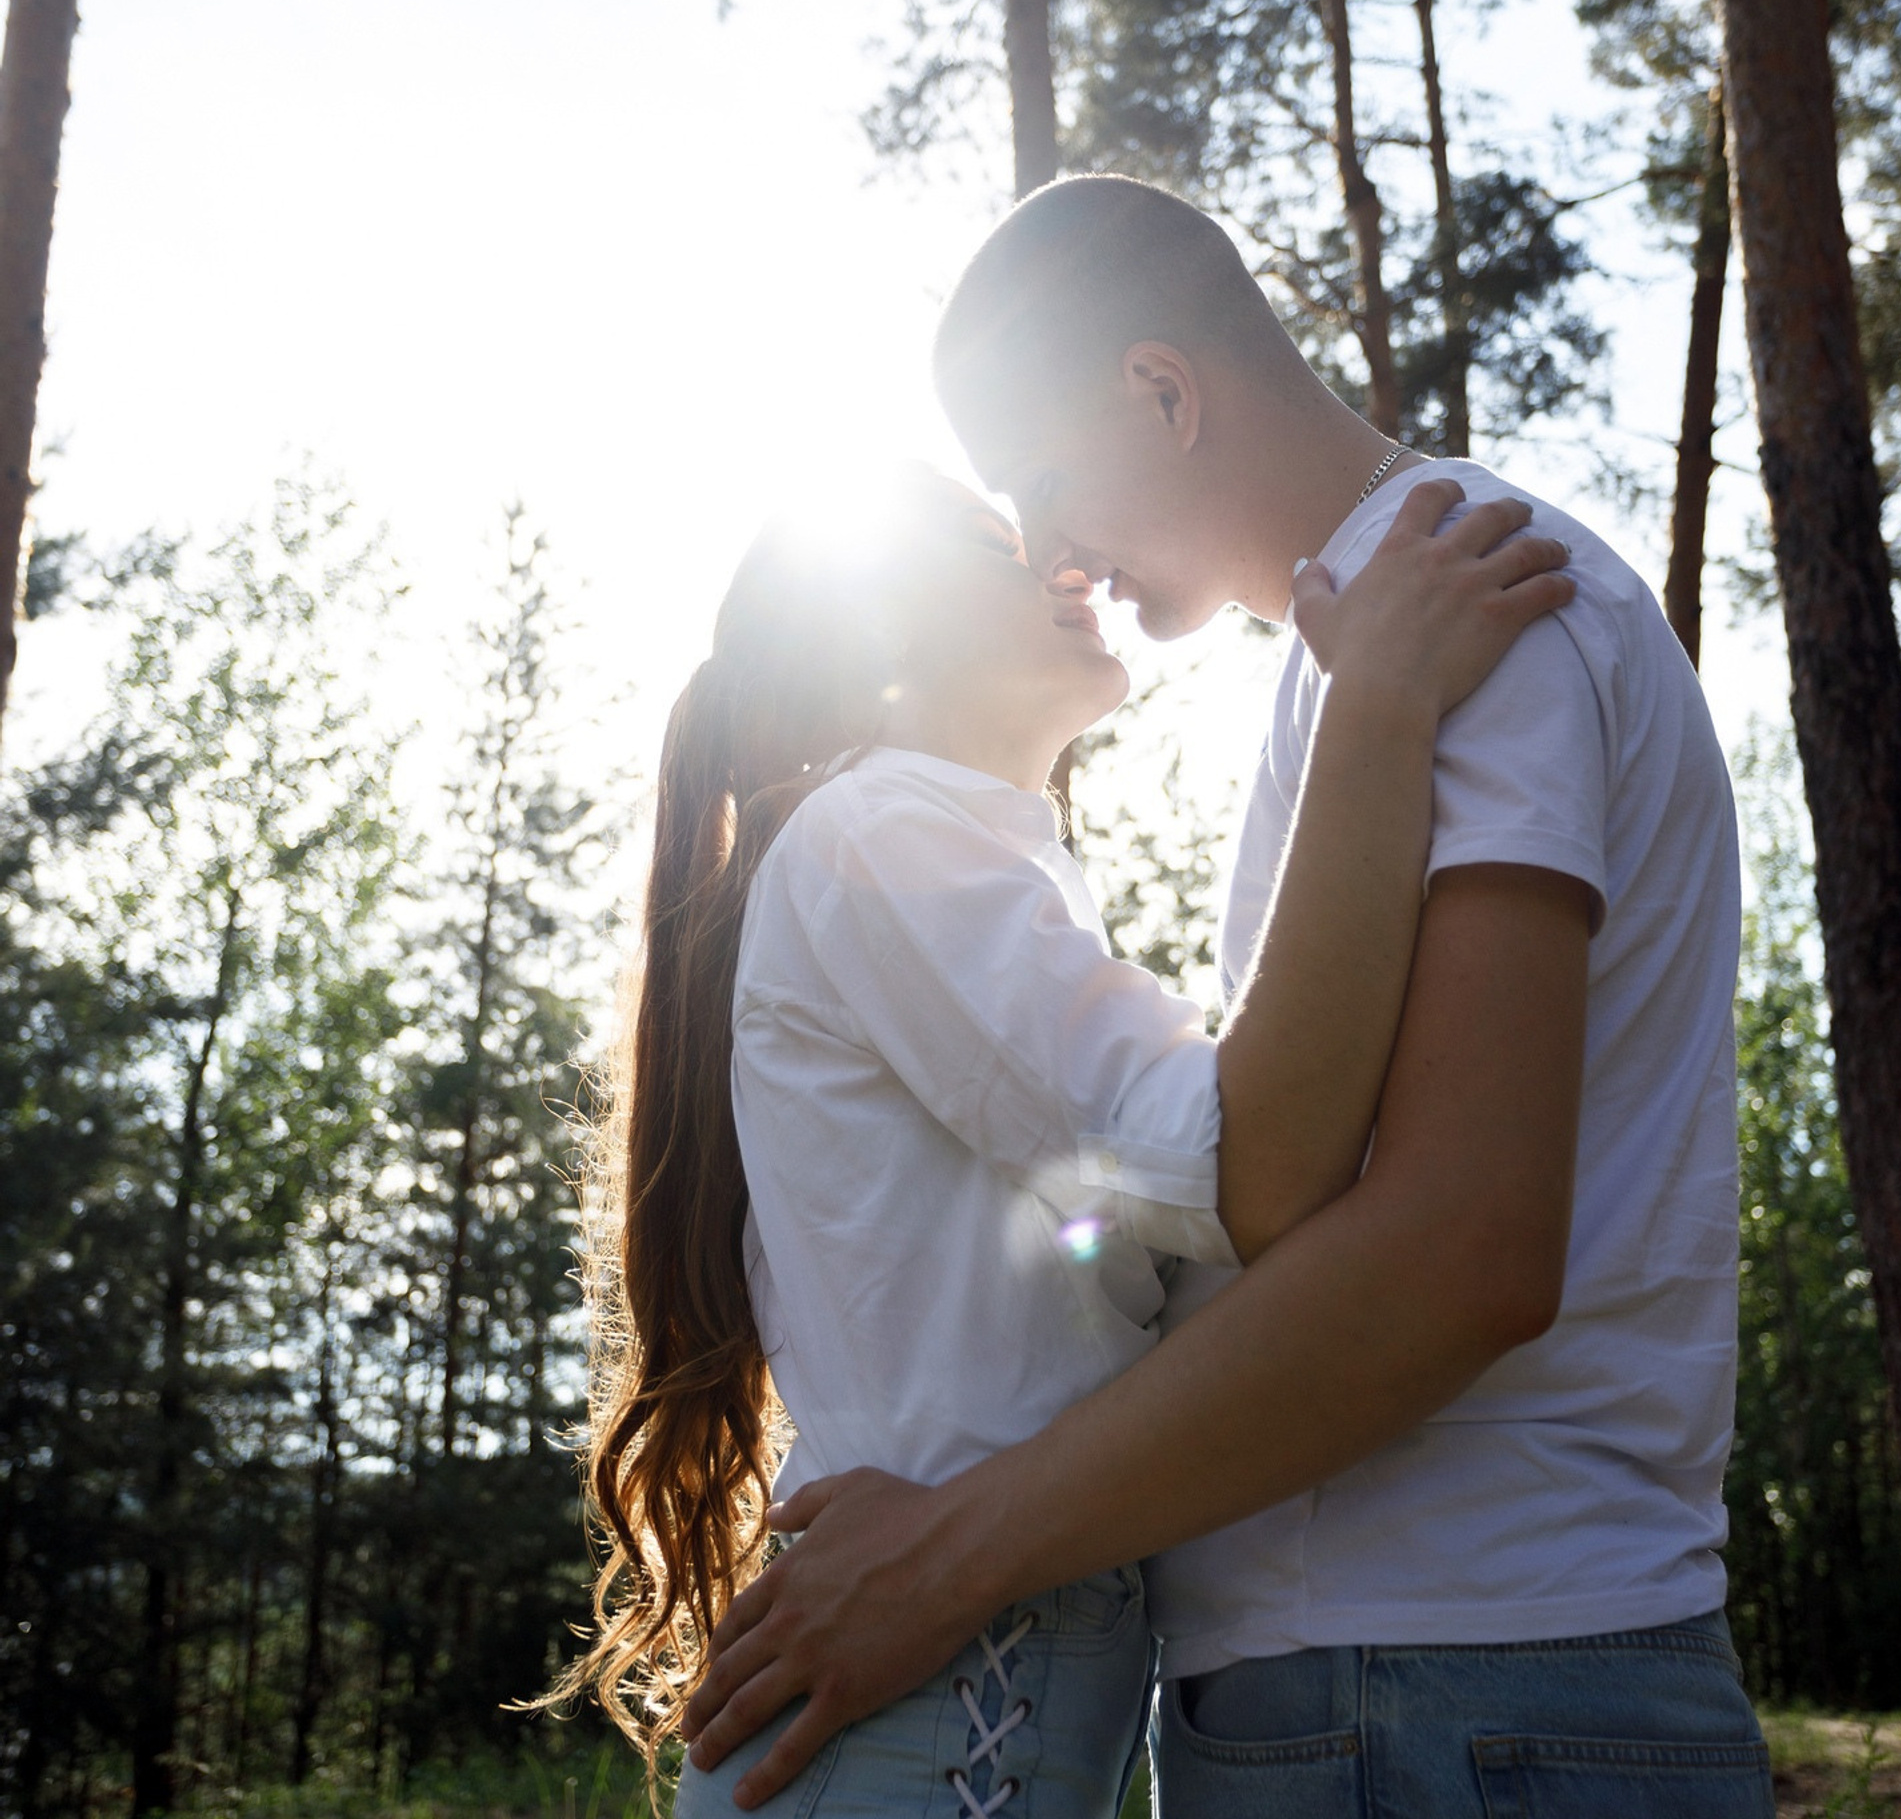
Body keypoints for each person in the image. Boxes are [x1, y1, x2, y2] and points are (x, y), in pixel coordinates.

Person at [679, 178, 1774, 1818]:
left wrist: (950, 1559)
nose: (1056, 558)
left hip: (1436, 1689)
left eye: (1038, 492)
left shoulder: (1456, 601)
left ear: (1164, 393)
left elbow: (1444, 1244)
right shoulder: (1364, 658)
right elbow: (1251, 1166)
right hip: (1393, 1694)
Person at [556, 463, 1572, 1818]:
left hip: (953, 1712)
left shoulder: (942, 862)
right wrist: (1379, 700)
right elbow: (1238, 1167)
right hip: (920, 1730)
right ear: (881, 637)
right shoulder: (876, 832)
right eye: (999, 549)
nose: (1069, 562)